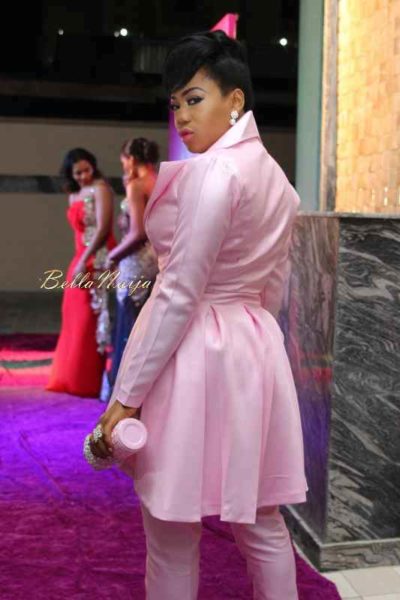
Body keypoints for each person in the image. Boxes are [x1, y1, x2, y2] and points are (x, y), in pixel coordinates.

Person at [89, 31, 307, 599]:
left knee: (170, 522)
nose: (182, 116)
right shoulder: (279, 182)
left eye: (194, 99)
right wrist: (253, 338)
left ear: (235, 100)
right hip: (254, 346)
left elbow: (179, 291)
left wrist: (126, 396)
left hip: (195, 350)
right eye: (175, 103)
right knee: (260, 518)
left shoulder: (216, 173)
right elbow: (275, 286)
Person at [47, 148, 115, 397]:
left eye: (87, 170)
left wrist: (85, 260)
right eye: (78, 173)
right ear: (70, 174)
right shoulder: (74, 193)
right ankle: (70, 377)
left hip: (96, 258)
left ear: (93, 166)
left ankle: (88, 381)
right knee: (73, 315)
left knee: (90, 318)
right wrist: (79, 260)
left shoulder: (100, 188)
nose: (84, 176)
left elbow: (103, 229)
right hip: (79, 258)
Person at [100, 138, 159, 402]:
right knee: (148, 325)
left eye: (124, 160)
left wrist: (112, 256)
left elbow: (137, 232)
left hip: (136, 261)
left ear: (131, 159)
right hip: (156, 259)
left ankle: (124, 394)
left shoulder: (137, 185)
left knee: (129, 324)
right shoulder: (160, 181)